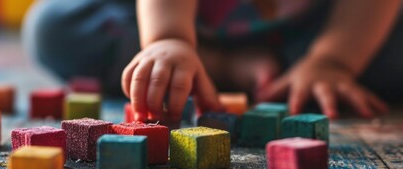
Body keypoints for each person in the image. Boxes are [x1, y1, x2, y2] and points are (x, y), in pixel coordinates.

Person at [23, 0, 403, 123]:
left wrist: (333, 61)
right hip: (177, 22)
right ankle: (220, 64)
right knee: (54, 27)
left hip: (321, 33)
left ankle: (286, 68)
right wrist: (168, 38)